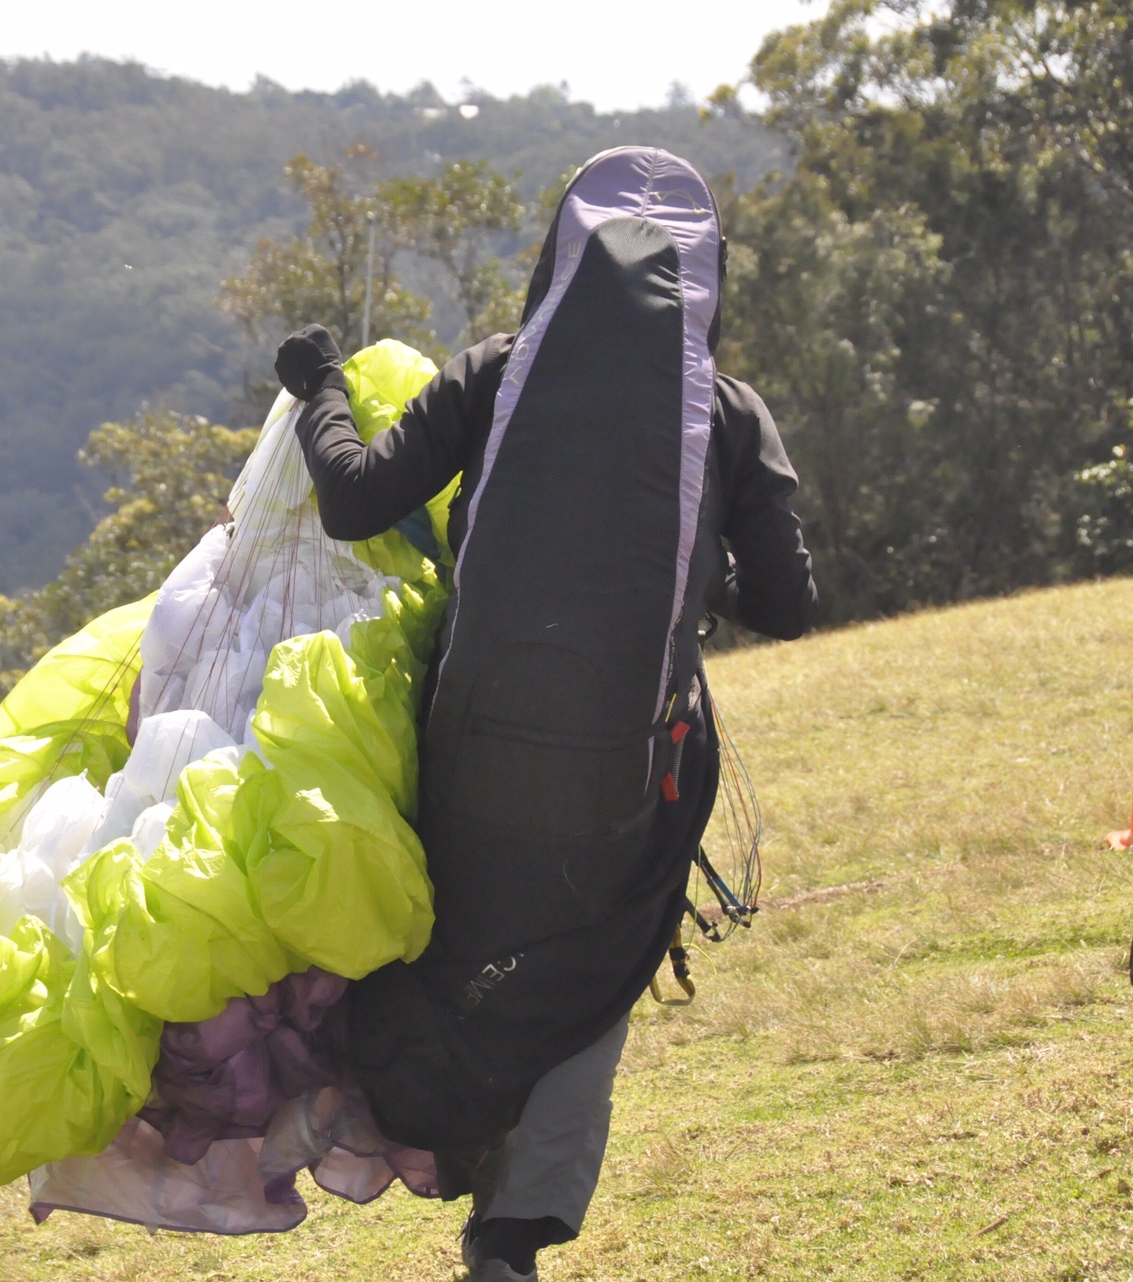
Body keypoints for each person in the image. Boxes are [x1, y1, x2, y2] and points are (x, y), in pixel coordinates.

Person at [272, 147, 816, 1281]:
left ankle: (430, 1130)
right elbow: (788, 607)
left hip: (469, 751)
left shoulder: (498, 370)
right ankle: (512, 1235)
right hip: (627, 778)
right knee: (590, 970)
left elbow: (358, 495)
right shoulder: (725, 410)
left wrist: (320, 383)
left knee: (462, 944)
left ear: (556, 262)